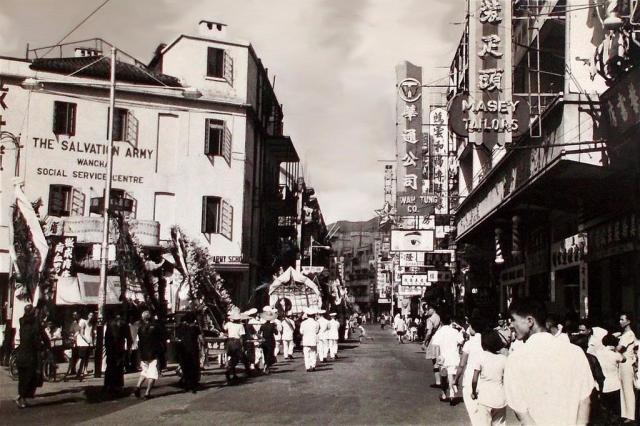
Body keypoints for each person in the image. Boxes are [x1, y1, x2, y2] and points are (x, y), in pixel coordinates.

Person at [504, 298, 594, 425]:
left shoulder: (515, 358)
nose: (511, 325)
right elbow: (585, 401)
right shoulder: (576, 352)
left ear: (530, 321)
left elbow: (522, 413)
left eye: (513, 319)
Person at [470, 330, 508, 426]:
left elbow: (474, 379)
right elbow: (507, 379)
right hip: (500, 398)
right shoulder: (503, 359)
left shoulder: (481, 357)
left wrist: (474, 392)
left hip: (485, 397)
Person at [15, 305, 48, 409]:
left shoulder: (22, 322)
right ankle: (22, 396)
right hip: (30, 354)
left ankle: (22, 397)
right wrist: (45, 346)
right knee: (30, 376)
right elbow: (40, 338)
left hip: (20, 353)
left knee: (22, 377)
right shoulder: (35, 324)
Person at [455, 315, 485, 424]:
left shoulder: (469, 344)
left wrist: (456, 379)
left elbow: (462, 365)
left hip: (469, 380)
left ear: (473, 328)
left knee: (474, 414)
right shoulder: (486, 342)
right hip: (484, 380)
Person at [431, 311, 464, 403]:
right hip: (454, 357)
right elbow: (461, 341)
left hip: (443, 358)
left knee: (443, 377)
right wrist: (460, 329)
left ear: (441, 321)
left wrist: (438, 358)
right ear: (450, 321)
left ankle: (444, 394)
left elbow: (436, 346)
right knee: (451, 376)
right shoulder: (455, 331)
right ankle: (452, 394)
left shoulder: (439, 332)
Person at [134, 311, 165, 399]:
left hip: (144, 353)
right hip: (153, 353)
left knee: (144, 371)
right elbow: (161, 339)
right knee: (153, 373)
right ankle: (147, 392)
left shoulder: (140, 328)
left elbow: (139, 341)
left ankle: (138, 386)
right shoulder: (156, 327)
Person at [595, 333, 625, 423]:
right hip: (615, 385)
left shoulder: (598, 353)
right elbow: (624, 359)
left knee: (605, 411)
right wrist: (616, 350)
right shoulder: (615, 355)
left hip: (602, 385)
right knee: (616, 410)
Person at [615, 312, 637, 423]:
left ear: (628, 321)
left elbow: (619, 348)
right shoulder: (623, 334)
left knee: (628, 389)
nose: (620, 321)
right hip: (622, 364)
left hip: (627, 364)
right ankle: (625, 413)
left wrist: (612, 345)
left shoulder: (629, 334)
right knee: (623, 388)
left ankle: (631, 415)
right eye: (620, 319)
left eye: (622, 319)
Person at [104, 313, 132, 393]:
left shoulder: (110, 323)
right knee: (119, 366)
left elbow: (106, 337)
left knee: (109, 366)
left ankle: (108, 384)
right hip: (120, 347)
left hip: (111, 348)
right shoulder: (124, 324)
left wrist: (107, 347)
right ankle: (118, 385)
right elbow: (129, 338)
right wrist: (129, 349)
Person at [175, 312, 201, 393]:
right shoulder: (195, 328)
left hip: (183, 349)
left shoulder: (179, 327)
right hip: (193, 349)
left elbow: (176, 338)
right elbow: (201, 338)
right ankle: (193, 383)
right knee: (193, 366)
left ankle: (186, 382)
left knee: (185, 366)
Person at [223, 312, 250, 384]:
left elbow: (224, 329)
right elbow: (241, 337)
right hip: (236, 342)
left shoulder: (228, 324)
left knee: (232, 357)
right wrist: (242, 346)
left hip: (230, 342)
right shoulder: (240, 326)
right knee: (240, 357)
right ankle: (230, 371)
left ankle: (232, 373)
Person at [423, 306, 442, 387]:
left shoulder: (431, 319)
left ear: (433, 310)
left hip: (434, 340)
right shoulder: (438, 317)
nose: (427, 311)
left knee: (435, 361)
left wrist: (425, 341)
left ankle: (438, 382)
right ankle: (445, 379)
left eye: (428, 309)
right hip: (441, 339)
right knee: (441, 360)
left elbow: (429, 332)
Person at [75, 312, 95, 380]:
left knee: (86, 358)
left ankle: (84, 371)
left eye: (92, 315)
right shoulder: (84, 322)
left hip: (89, 343)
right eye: (90, 315)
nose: (91, 316)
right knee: (81, 358)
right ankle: (77, 371)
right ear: (87, 315)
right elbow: (81, 333)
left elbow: (91, 334)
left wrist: (92, 341)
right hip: (83, 343)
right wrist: (87, 340)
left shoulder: (91, 324)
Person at [299, 307, 320, 372]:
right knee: (313, 354)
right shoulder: (316, 323)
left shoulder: (303, 323)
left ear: (307, 315)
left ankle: (307, 367)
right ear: (313, 315)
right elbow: (317, 331)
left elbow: (301, 332)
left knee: (306, 355)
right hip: (313, 340)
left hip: (306, 341)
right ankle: (313, 366)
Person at [259, 309, 278, 374]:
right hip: (271, 341)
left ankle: (266, 366)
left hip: (264, 341)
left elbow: (259, 333)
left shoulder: (262, 325)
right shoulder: (272, 325)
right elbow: (276, 333)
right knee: (270, 354)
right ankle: (267, 366)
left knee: (265, 354)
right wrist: (275, 327)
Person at [64, 311, 81, 379]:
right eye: (73, 315)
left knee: (77, 356)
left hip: (79, 341)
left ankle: (75, 369)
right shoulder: (73, 323)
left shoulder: (80, 322)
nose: (74, 316)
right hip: (74, 342)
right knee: (74, 356)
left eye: (75, 315)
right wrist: (72, 337)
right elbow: (71, 332)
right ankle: (73, 369)